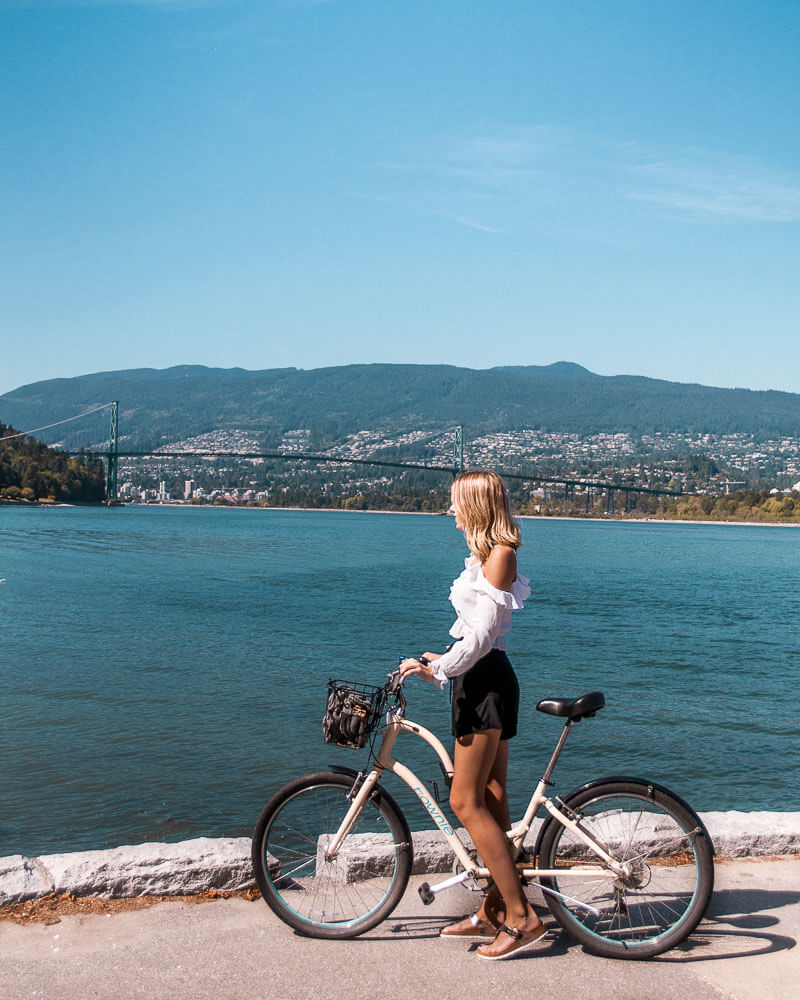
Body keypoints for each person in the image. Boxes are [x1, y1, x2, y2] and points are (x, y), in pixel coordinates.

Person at [399, 469, 546, 961]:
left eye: (457, 503)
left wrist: (440, 670)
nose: (452, 513)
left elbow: (483, 637)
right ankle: (495, 908)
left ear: (478, 506)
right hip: (475, 679)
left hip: (485, 683)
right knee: (492, 796)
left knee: (465, 801)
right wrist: (440, 661)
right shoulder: (483, 557)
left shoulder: (501, 555)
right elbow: (471, 633)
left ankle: (523, 918)